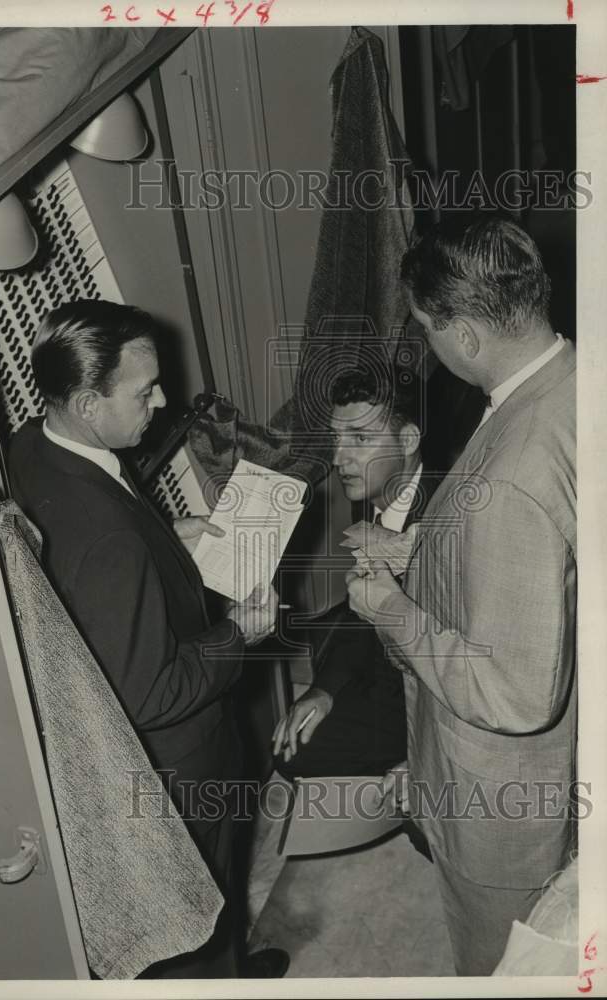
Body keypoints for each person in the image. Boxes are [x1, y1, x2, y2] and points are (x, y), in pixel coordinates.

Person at [9, 299, 288, 979]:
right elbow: (152, 692)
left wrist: (167, 540)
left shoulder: (34, 444)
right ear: (84, 401)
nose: (163, 402)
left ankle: (229, 962)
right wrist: (238, 634)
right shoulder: (108, 544)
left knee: (211, 906)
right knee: (194, 909)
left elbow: (105, 560)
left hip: (133, 736)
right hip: (179, 766)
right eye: (144, 392)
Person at [346, 218, 576, 975]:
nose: (428, 348)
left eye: (427, 329)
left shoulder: (516, 471)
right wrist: (421, 549)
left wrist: (388, 608)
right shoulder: (568, 382)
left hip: (504, 803)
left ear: (468, 335)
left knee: (498, 966)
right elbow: (551, 563)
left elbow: (512, 694)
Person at [271, 367, 438, 789]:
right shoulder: (374, 492)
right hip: (386, 654)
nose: (337, 458)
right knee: (319, 639)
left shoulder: (443, 523)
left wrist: (424, 758)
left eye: (361, 439)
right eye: (337, 439)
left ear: (408, 440)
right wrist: (325, 689)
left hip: (429, 694)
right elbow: (361, 608)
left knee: (291, 754)